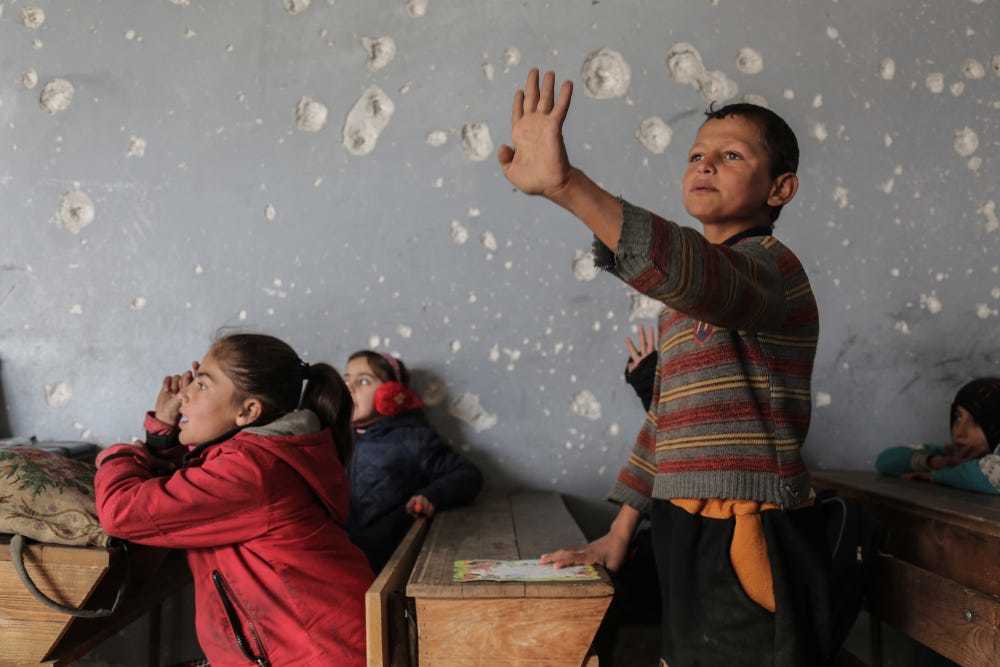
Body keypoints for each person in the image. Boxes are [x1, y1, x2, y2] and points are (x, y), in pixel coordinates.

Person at [499, 69, 834, 665]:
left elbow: (698, 273)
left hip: (746, 528)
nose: (705, 165)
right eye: (696, 154)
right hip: (680, 524)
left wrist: (568, 186)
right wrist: (620, 533)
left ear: (780, 189)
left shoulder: (771, 271)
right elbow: (664, 422)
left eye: (730, 155)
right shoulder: (686, 306)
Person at [95, 333, 372, 666]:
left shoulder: (252, 470)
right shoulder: (265, 453)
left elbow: (121, 512)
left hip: (317, 657)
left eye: (203, 384)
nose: (184, 394)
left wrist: (119, 455)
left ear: (248, 411)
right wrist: (161, 436)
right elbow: (189, 483)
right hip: (320, 648)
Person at [344, 350, 483, 572]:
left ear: (390, 393)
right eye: (346, 379)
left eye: (363, 381)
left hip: (386, 563)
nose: (349, 388)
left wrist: (430, 496)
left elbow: (468, 475)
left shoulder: (412, 438)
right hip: (347, 558)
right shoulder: (339, 438)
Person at [876, 377, 1000, 495]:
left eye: (976, 422)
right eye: (958, 417)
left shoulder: (992, 466)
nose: (959, 433)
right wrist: (935, 462)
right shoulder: (955, 455)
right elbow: (885, 461)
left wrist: (937, 475)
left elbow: (992, 473)